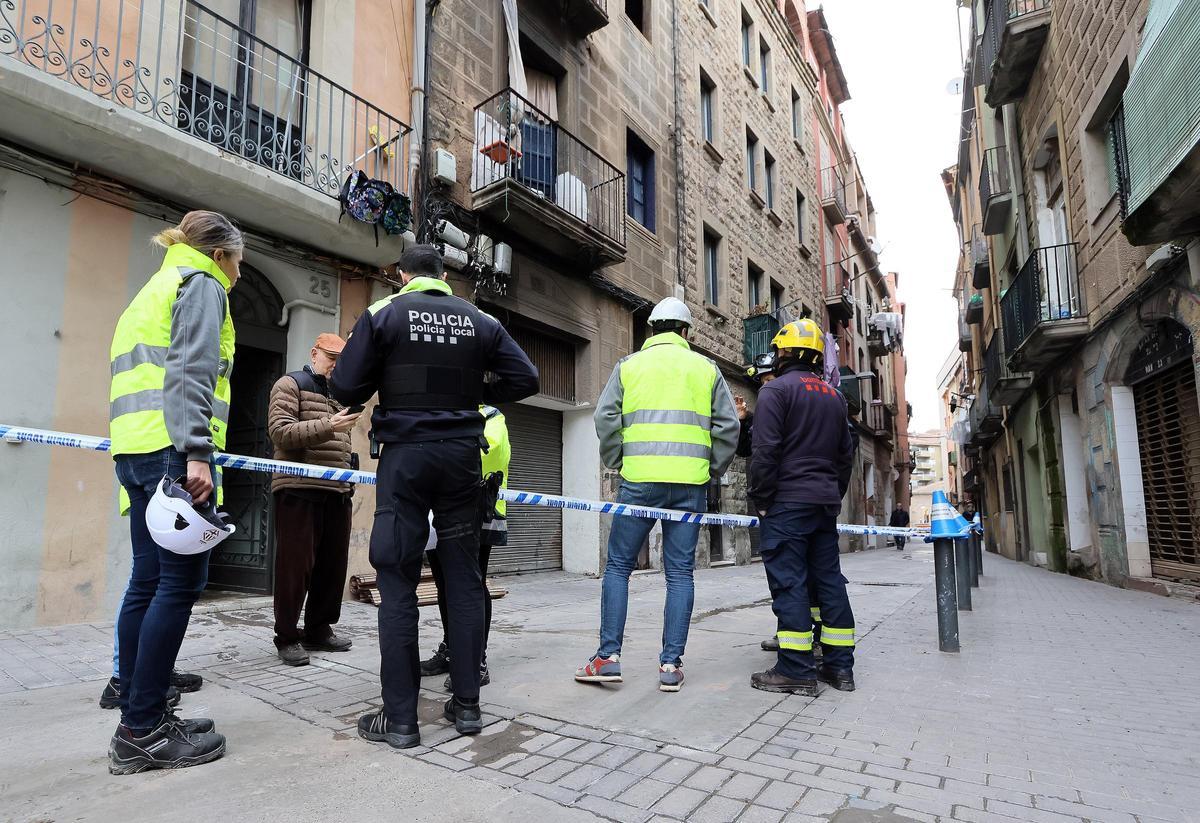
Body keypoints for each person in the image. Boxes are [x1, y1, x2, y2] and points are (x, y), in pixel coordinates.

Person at [330, 245, 538, 749]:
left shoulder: (384, 313)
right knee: (464, 578)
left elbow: (344, 386)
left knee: (397, 578)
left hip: (405, 459)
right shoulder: (479, 320)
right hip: (462, 457)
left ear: (402, 274)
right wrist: (470, 395)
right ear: (445, 275)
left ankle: (400, 720)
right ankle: (467, 708)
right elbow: (526, 378)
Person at [106, 211, 240, 773]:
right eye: (238, 261)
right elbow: (190, 370)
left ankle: (143, 703)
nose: (238, 272)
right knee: (181, 584)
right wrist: (196, 451)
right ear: (220, 254)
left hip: (134, 451)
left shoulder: (153, 287)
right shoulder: (201, 284)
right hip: (172, 452)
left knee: (147, 580)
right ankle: (143, 730)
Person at [577, 297, 739, 693]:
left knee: (618, 566)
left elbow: (605, 418)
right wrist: (709, 470)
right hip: (689, 485)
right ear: (686, 333)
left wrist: (620, 460)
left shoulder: (628, 367)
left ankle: (608, 659)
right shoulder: (706, 369)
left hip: (639, 481)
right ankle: (670, 666)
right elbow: (728, 428)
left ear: (651, 330)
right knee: (680, 573)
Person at [749, 319, 857, 696]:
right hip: (823, 504)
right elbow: (846, 456)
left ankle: (795, 668)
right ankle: (839, 668)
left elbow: (765, 453)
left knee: (790, 582)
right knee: (828, 582)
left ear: (785, 352)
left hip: (787, 504)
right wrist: (832, 493)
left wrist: (762, 500)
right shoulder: (834, 397)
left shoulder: (775, 392)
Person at [268, 333, 361, 666]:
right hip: (298, 487)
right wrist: (329, 424)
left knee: (332, 566)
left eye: (341, 360)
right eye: (330, 357)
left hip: (337, 491)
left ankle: (319, 629)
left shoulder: (340, 395)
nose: (336, 365)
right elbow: (280, 432)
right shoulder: (289, 384)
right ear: (314, 353)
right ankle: (287, 636)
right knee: (295, 566)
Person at [421, 405, 511, 690]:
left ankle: (476, 659)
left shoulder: (491, 415)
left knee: (472, 584)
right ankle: (452, 649)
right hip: (438, 510)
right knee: (444, 585)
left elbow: (491, 451)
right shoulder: (437, 410)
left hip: (479, 511)